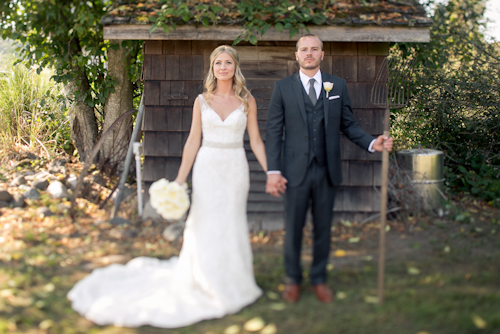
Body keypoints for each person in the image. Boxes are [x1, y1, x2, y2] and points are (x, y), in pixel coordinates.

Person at [67, 45, 267, 328]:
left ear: (236, 67)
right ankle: (203, 278)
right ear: (212, 68)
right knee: (205, 221)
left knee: (231, 221)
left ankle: (235, 280)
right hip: (208, 167)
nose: (223, 67)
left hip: (236, 168)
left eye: (228, 62)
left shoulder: (247, 100)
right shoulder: (202, 100)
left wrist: (270, 171)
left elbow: (256, 139)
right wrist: (180, 180)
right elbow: (192, 141)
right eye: (218, 63)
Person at [265, 34, 393, 304]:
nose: (308, 53)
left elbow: (348, 125)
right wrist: (273, 171)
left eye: (314, 49)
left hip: (326, 170)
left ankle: (319, 279)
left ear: (322, 54)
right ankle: (292, 280)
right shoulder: (282, 88)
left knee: (323, 228)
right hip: (294, 172)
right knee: (294, 227)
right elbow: (274, 132)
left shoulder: (338, 85)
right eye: (304, 49)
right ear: (296, 55)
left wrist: (372, 142)